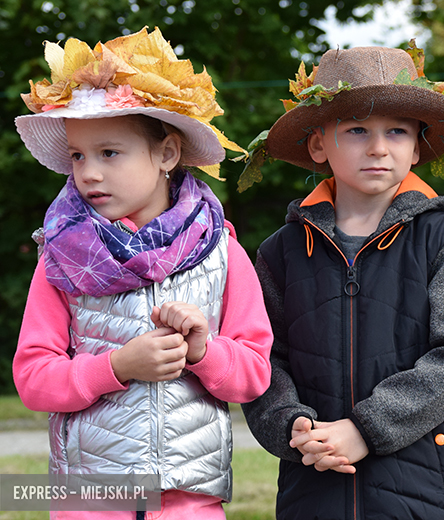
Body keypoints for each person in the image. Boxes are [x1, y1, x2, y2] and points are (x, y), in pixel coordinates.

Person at [12, 27, 273, 520]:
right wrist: (116, 368)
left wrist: (202, 351)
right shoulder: (61, 260)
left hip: (190, 500)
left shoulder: (221, 252)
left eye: (109, 153)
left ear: (167, 154)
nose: (88, 172)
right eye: (78, 155)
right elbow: (32, 380)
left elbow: (254, 376)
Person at [240, 44, 444, 520]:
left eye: (396, 131)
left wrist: (366, 429)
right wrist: (292, 426)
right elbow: (263, 361)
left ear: (416, 146)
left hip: (428, 490)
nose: (378, 147)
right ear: (318, 145)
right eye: (357, 130)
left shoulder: (442, 237)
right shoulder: (280, 252)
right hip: (315, 490)